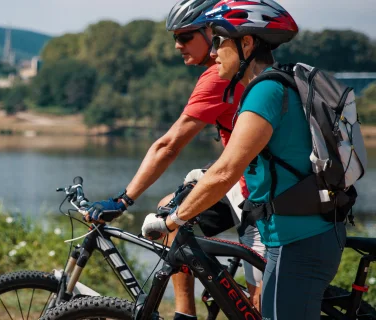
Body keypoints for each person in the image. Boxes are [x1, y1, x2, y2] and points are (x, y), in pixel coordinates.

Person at [140, 0, 347, 319]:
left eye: (219, 41)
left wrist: (174, 219)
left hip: (299, 241)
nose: (212, 52)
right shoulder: (273, 85)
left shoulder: (266, 91)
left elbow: (226, 171)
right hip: (291, 236)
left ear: (247, 43)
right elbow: (245, 163)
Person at [83, 0, 265, 318]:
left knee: (261, 308)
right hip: (243, 177)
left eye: (185, 36)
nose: (178, 45)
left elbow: (168, 146)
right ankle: (186, 313)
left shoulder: (218, 77)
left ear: (212, 32)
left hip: (258, 185)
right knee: (172, 216)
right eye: (174, 38)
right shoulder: (230, 72)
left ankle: (201, 310)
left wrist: (123, 200)